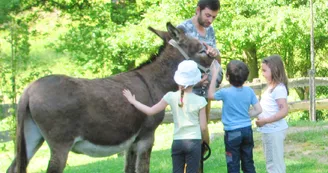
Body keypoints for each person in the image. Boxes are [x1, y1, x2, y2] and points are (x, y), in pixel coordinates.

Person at [122, 60, 209, 173]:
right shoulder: (200, 100)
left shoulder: (170, 96)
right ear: (195, 81)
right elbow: (203, 127)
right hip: (194, 142)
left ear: (178, 79)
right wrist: (204, 140)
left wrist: (133, 101)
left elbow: (150, 111)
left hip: (178, 143)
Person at [208, 60, 262, 173]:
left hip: (232, 133)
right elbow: (258, 110)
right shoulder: (249, 91)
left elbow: (210, 95)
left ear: (227, 76)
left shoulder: (225, 92)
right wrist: (247, 116)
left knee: (233, 164)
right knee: (248, 162)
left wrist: (213, 76)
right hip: (247, 130)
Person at [177, 0, 222, 124]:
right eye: (208, 15)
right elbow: (175, 60)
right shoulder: (183, 29)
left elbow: (217, 56)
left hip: (207, 82)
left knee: (203, 124)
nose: (210, 20)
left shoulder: (210, 30)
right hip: (189, 87)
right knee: (190, 124)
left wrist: (214, 53)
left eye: (214, 17)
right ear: (198, 10)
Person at [256, 55, 289, 173]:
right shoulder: (270, 87)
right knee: (271, 163)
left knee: (275, 165)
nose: (263, 74)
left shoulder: (279, 89)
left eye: (265, 70)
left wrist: (265, 121)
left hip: (274, 131)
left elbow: (284, 110)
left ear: (274, 70)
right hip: (268, 131)